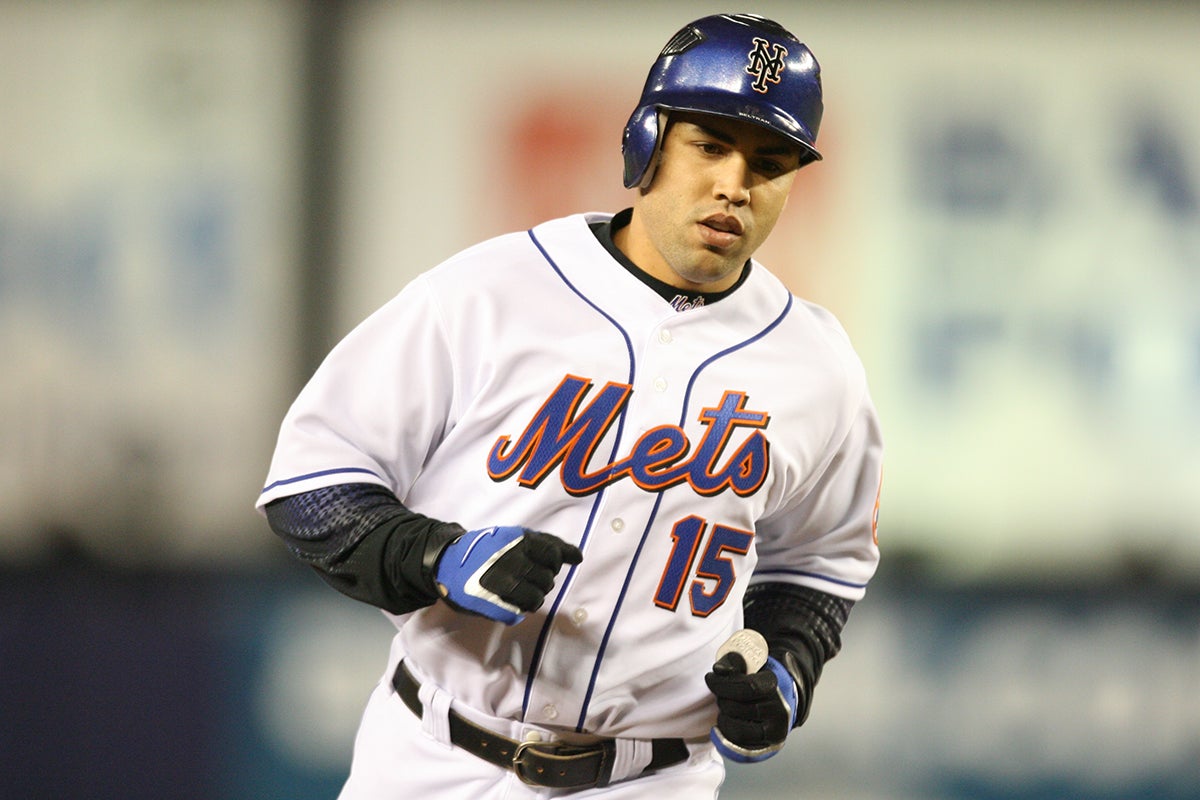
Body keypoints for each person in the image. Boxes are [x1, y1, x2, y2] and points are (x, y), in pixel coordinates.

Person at [257, 12, 883, 799]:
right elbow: (310, 482)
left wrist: (785, 669)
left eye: (771, 161)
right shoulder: (489, 292)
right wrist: (436, 557)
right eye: (710, 146)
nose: (736, 184)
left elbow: (822, 563)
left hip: (651, 780)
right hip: (430, 762)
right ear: (647, 143)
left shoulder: (816, 367)